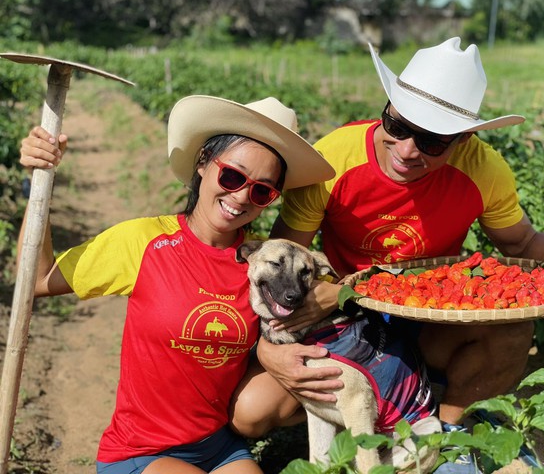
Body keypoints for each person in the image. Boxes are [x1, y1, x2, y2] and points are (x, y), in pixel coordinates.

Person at [230, 38, 544, 472]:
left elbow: (521, 244)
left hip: (425, 317)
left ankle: (446, 432)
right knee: (253, 412)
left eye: (432, 142)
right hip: (342, 321)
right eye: (398, 125)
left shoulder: (482, 170)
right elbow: (287, 257)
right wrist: (269, 348)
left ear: (463, 139)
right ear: (387, 107)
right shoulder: (335, 159)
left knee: (510, 331)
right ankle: (361, 414)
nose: (408, 150)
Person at [17, 95, 335, 474]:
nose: (239, 197)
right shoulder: (143, 242)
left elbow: (323, 304)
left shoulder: (261, 267)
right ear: (203, 163)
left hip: (220, 447)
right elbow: (35, 280)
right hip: (140, 450)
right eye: (232, 176)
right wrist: (41, 182)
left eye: (261, 190)